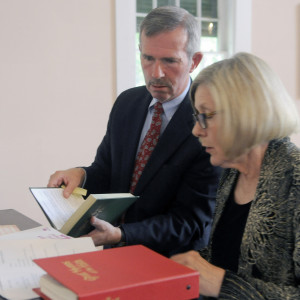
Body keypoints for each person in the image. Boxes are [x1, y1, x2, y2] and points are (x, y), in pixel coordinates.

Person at [47, 6, 221, 257]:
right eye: (148, 58)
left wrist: (122, 235)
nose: (156, 73)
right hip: (114, 254)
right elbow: (109, 175)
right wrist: (81, 175)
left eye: (170, 61)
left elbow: (190, 223)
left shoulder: (207, 121)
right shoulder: (127, 103)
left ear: (194, 61)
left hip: (173, 265)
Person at [171, 52, 300, 299]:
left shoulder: (294, 176)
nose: (197, 130)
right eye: (196, 117)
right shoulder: (231, 175)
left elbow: (221, 279)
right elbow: (223, 258)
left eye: (206, 116)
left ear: (245, 113)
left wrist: (222, 283)